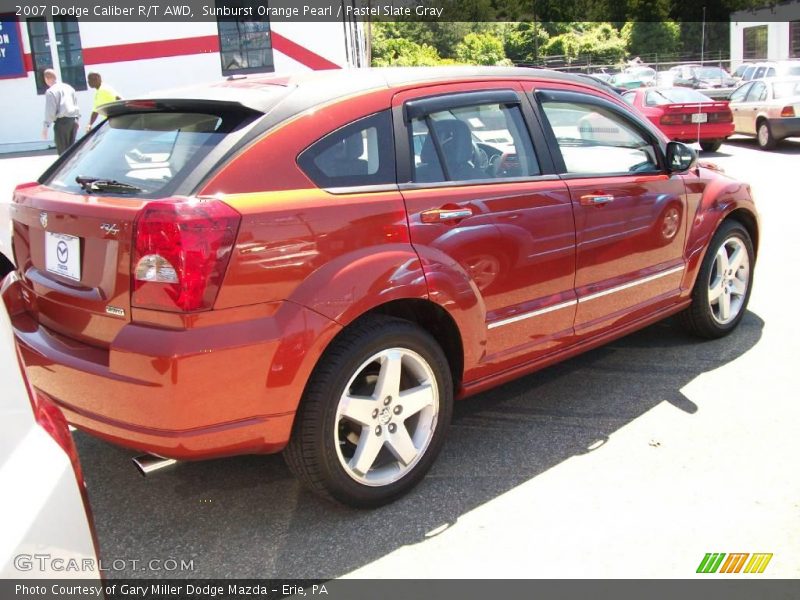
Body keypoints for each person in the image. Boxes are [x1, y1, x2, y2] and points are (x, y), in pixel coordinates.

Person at [41, 69, 80, 155]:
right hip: (73, 121)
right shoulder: (69, 88)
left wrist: (45, 127)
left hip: (62, 123)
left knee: (63, 153)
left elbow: (50, 111)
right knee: (72, 152)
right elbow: (76, 104)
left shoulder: (51, 91)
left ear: (46, 78)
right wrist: (77, 119)